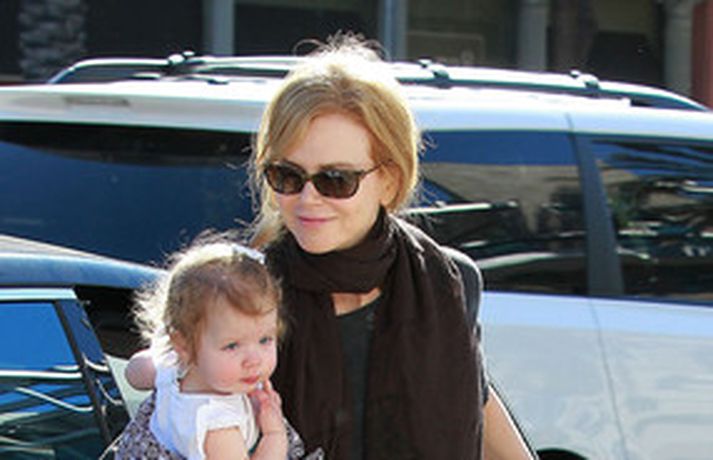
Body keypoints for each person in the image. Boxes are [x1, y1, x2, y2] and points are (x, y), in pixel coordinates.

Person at [250, 34, 534, 459]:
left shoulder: (445, 284)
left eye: (335, 180)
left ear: (389, 180)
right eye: (287, 176)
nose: (308, 199)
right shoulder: (243, 293)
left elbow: (480, 412)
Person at [115, 236, 319, 460]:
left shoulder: (175, 367)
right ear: (183, 344)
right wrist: (274, 433)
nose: (254, 359)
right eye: (232, 346)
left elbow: (133, 373)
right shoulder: (218, 426)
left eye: (265, 340)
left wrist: (159, 361)